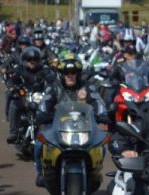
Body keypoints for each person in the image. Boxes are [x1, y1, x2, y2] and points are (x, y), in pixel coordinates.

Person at [34, 54, 109, 186]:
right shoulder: (54, 87)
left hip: (84, 127)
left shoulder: (87, 87)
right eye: (66, 73)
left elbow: (98, 101)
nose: (70, 75)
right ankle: (40, 173)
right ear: (62, 74)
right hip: (57, 127)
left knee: (101, 145)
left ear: (78, 74)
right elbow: (44, 103)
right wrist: (41, 114)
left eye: (73, 72)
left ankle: (95, 171)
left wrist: (103, 115)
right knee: (39, 143)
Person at [6, 47, 56, 144]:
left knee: (53, 108)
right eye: (29, 59)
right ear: (25, 60)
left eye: (35, 59)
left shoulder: (44, 69)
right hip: (24, 97)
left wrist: (52, 86)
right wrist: (13, 88)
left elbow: (52, 80)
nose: (32, 62)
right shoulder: (19, 69)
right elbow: (11, 80)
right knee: (14, 105)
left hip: (40, 97)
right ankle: (14, 132)